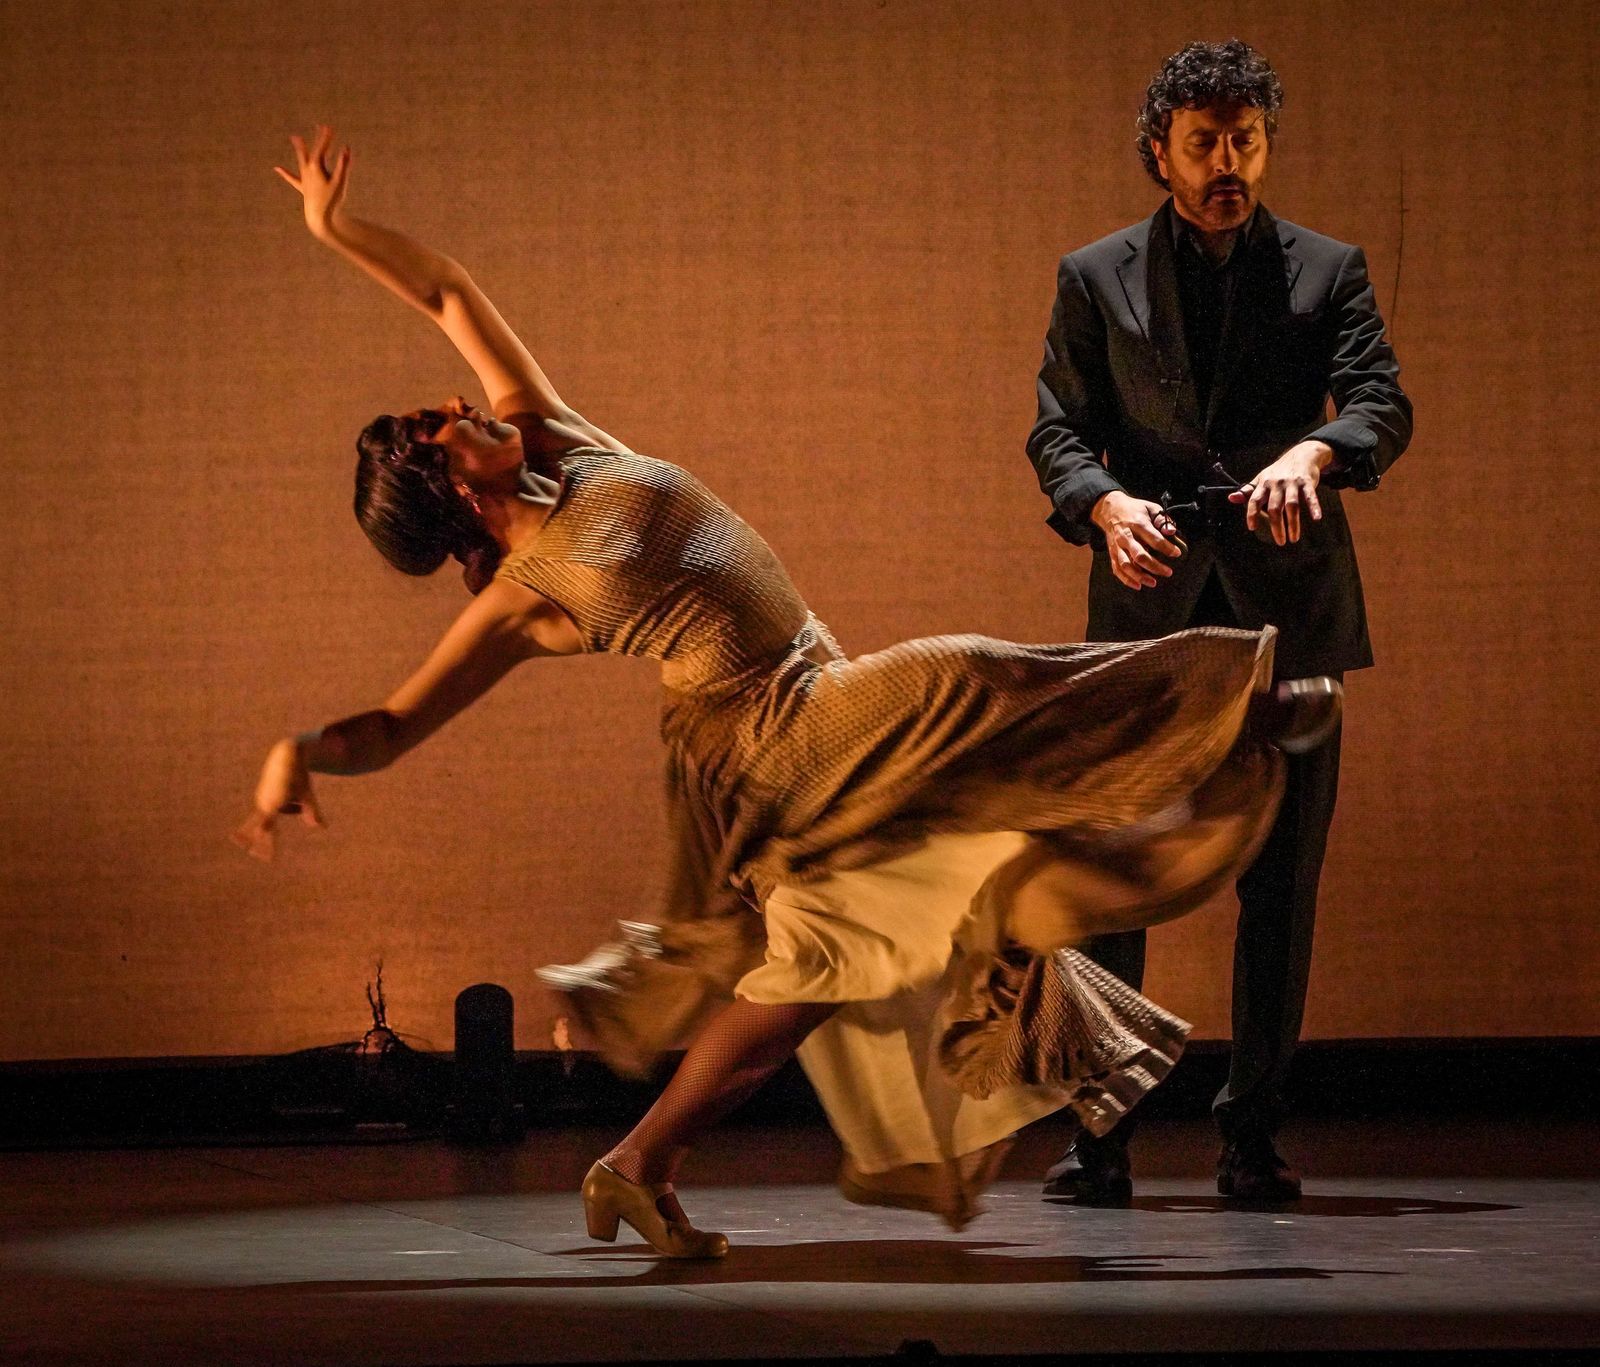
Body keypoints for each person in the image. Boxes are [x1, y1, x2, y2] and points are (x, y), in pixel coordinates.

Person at [240, 127, 1332, 1258]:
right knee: (968, 674)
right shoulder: (522, 594)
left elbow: (446, 291)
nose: (458, 404)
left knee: (810, 978)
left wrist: (335, 230)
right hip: (767, 736)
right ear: (451, 493)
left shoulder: (548, 432)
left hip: (810, 684)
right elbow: (395, 723)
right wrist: (302, 749)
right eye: (439, 426)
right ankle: (1243, 696)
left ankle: (636, 1164)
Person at [1026, 40, 1412, 1205]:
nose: (1228, 160)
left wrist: (1316, 448)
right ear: (1160, 151)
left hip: (1290, 613)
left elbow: (1381, 400)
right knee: (1115, 875)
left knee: (1280, 881)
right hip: (1147, 614)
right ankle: (1102, 1132)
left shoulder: (1325, 267)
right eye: (1205, 141)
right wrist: (1100, 503)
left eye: (1245, 138)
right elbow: (1055, 430)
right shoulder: (1093, 275)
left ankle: (1251, 1135)